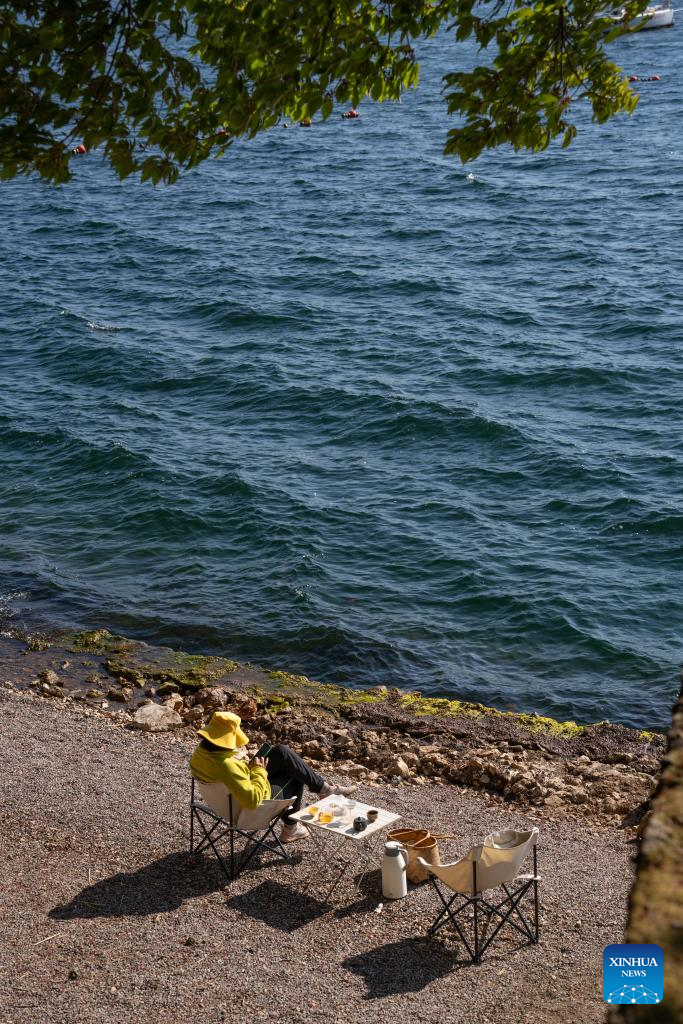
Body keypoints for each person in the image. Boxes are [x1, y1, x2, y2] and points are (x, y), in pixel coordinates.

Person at [189, 710, 356, 843]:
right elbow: (253, 800)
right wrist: (258, 771)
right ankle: (291, 829)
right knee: (294, 775)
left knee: (281, 752)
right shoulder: (227, 766)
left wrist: (247, 768)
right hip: (248, 809)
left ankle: (325, 789)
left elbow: (231, 775)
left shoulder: (200, 754)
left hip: (227, 801)